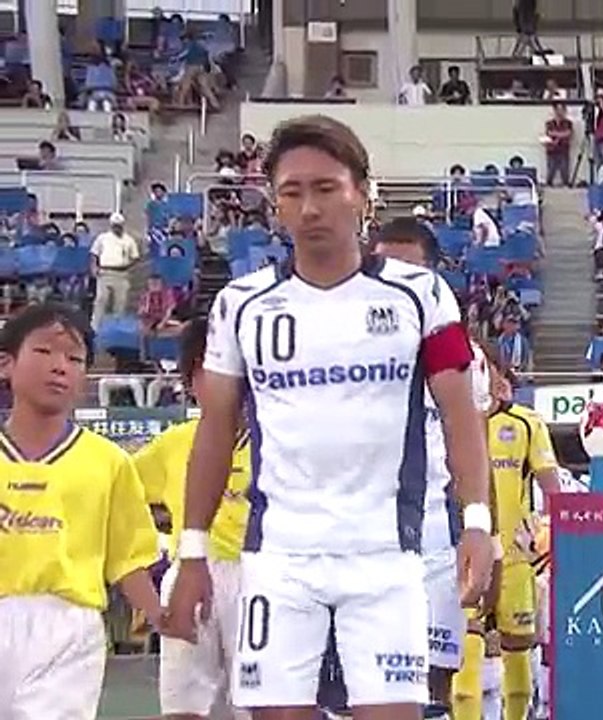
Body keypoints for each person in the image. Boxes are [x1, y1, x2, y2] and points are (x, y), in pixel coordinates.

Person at [163, 116, 494, 720]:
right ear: (274, 204)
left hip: (387, 557)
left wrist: (477, 523)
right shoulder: (241, 305)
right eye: (292, 192)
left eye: (326, 188)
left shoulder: (422, 295)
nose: (309, 207)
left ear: (362, 194)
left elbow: (460, 413)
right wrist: (192, 553)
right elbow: (214, 431)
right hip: (280, 560)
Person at [0, 302, 162, 718]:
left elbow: (127, 558)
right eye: (44, 351)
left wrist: (161, 615)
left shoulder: (108, 461)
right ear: (6, 364)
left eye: (74, 359)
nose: (59, 366)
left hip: (68, 625)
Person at [370, 217, 495, 719]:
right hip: (360, 533)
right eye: (384, 267)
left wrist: (482, 528)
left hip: (436, 532)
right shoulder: (339, 345)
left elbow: (473, 440)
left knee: (433, 679)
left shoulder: (463, 356)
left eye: (410, 270)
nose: (396, 281)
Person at [134, 318, 252, 720]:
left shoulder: (275, 443)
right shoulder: (171, 444)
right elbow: (121, 495)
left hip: (260, 577)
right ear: (190, 381)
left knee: (259, 706)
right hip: (191, 574)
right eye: (206, 370)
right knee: (183, 706)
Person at [453, 359, 560, 720]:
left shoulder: (527, 423)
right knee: (464, 676)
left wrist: (547, 537)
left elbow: (553, 489)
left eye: (484, 368)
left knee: (518, 671)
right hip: (465, 557)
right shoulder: (450, 423)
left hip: (516, 559)